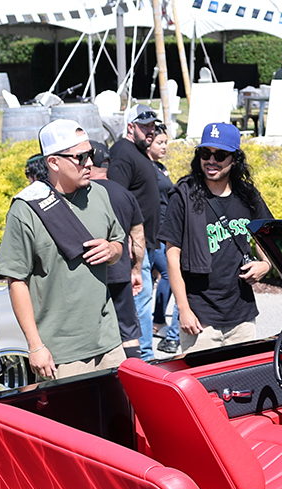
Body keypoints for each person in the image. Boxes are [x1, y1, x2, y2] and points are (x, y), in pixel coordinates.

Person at [0, 119, 125, 379]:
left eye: (91, 154)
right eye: (81, 157)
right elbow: (16, 281)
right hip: (60, 354)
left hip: (109, 343)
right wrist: (35, 346)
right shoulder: (26, 209)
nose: (90, 163)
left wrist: (112, 250)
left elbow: (119, 243)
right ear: (53, 162)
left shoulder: (99, 194)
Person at [160, 122, 273, 353]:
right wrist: (183, 310)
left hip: (242, 316)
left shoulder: (247, 195)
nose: (211, 161)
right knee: (201, 377)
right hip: (200, 320)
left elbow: (268, 238)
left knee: (241, 376)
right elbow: (172, 256)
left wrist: (266, 264)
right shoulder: (183, 196)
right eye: (205, 153)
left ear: (234, 159)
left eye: (220, 155)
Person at [108, 103, 164, 359]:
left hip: (149, 240)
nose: (150, 131)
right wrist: (126, 240)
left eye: (152, 126)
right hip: (133, 240)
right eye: (144, 126)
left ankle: (144, 353)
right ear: (131, 127)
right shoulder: (122, 152)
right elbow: (116, 197)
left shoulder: (139, 152)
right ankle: (143, 356)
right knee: (141, 299)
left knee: (146, 296)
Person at [87, 144, 145, 362]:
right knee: (128, 330)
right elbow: (138, 237)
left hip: (90, 274)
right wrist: (136, 270)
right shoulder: (125, 194)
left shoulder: (82, 194)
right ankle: (134, 371)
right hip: (120, 272)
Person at [146, 125, 181, 354]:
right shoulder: (146, 168)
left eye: (166, 142)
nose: (164, 147)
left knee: (164, 275)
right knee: (170, 274)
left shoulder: (160, 168)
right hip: (156, 232)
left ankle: (158, 321)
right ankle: (164, 328)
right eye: (160, 142)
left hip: (167, 230)